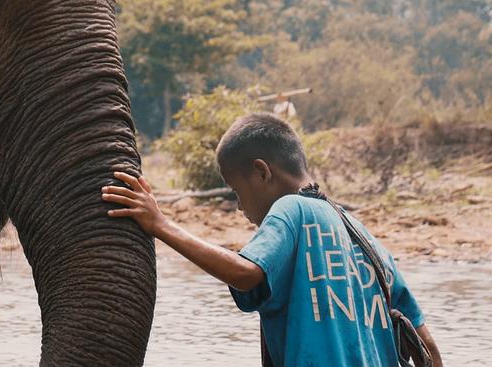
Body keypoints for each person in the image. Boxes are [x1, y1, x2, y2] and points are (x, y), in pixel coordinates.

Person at [102, 113, 443, 367]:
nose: (240, 207)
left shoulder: (291, 209)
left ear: (262, 172)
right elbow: (425, 343)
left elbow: (247, 273)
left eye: (238, 191)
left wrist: (160, 224)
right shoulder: (366, 238)